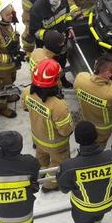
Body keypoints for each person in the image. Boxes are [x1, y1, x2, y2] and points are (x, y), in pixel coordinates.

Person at [22, 58, 74, 193]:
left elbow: (25, 108)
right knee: (58, 164)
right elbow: (65, 131)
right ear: (55, 80)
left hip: (37, 137)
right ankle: (50, 185)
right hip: (56, 145)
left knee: (41, 156)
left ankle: (39, 174)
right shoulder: (58, 105)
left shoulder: (27, 91)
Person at [29, 0, 75, 87]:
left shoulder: (62, 0)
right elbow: (33, 31)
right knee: (48, 65)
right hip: (46, 44)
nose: (57, 3)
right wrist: (48, 35)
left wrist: (69, 27)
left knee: (62, 60)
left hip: (61, 39)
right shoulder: (37, 9)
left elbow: (67, 15)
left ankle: (62, 79)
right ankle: (50, 85)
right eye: (54, 1)